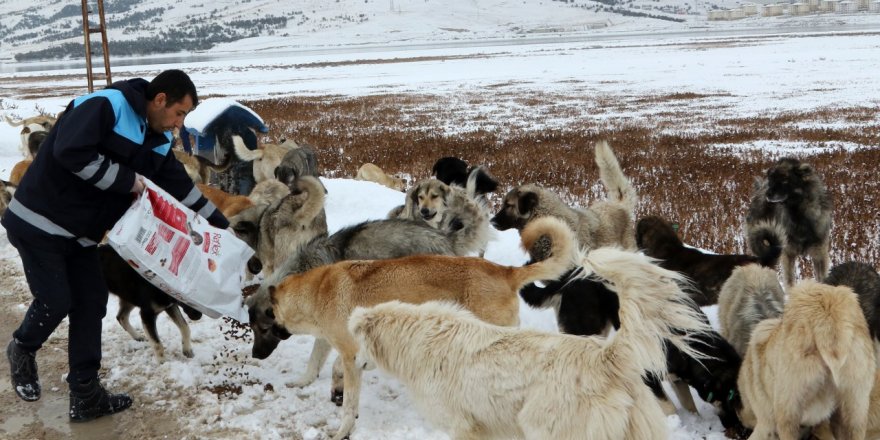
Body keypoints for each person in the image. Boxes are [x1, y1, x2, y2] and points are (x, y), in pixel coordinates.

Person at [3, 69, 229, 422]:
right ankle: (22, 347)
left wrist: (220, 223)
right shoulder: (108, 106)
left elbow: (179, 187)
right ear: (160, 100)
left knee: (91, 303)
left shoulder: (158, 140)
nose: (179, 124)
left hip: (81, 234)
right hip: (38, 220)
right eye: (179, 113)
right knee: (56, 299)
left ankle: (86, 394)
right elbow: (70, 152)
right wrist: (128, 181)